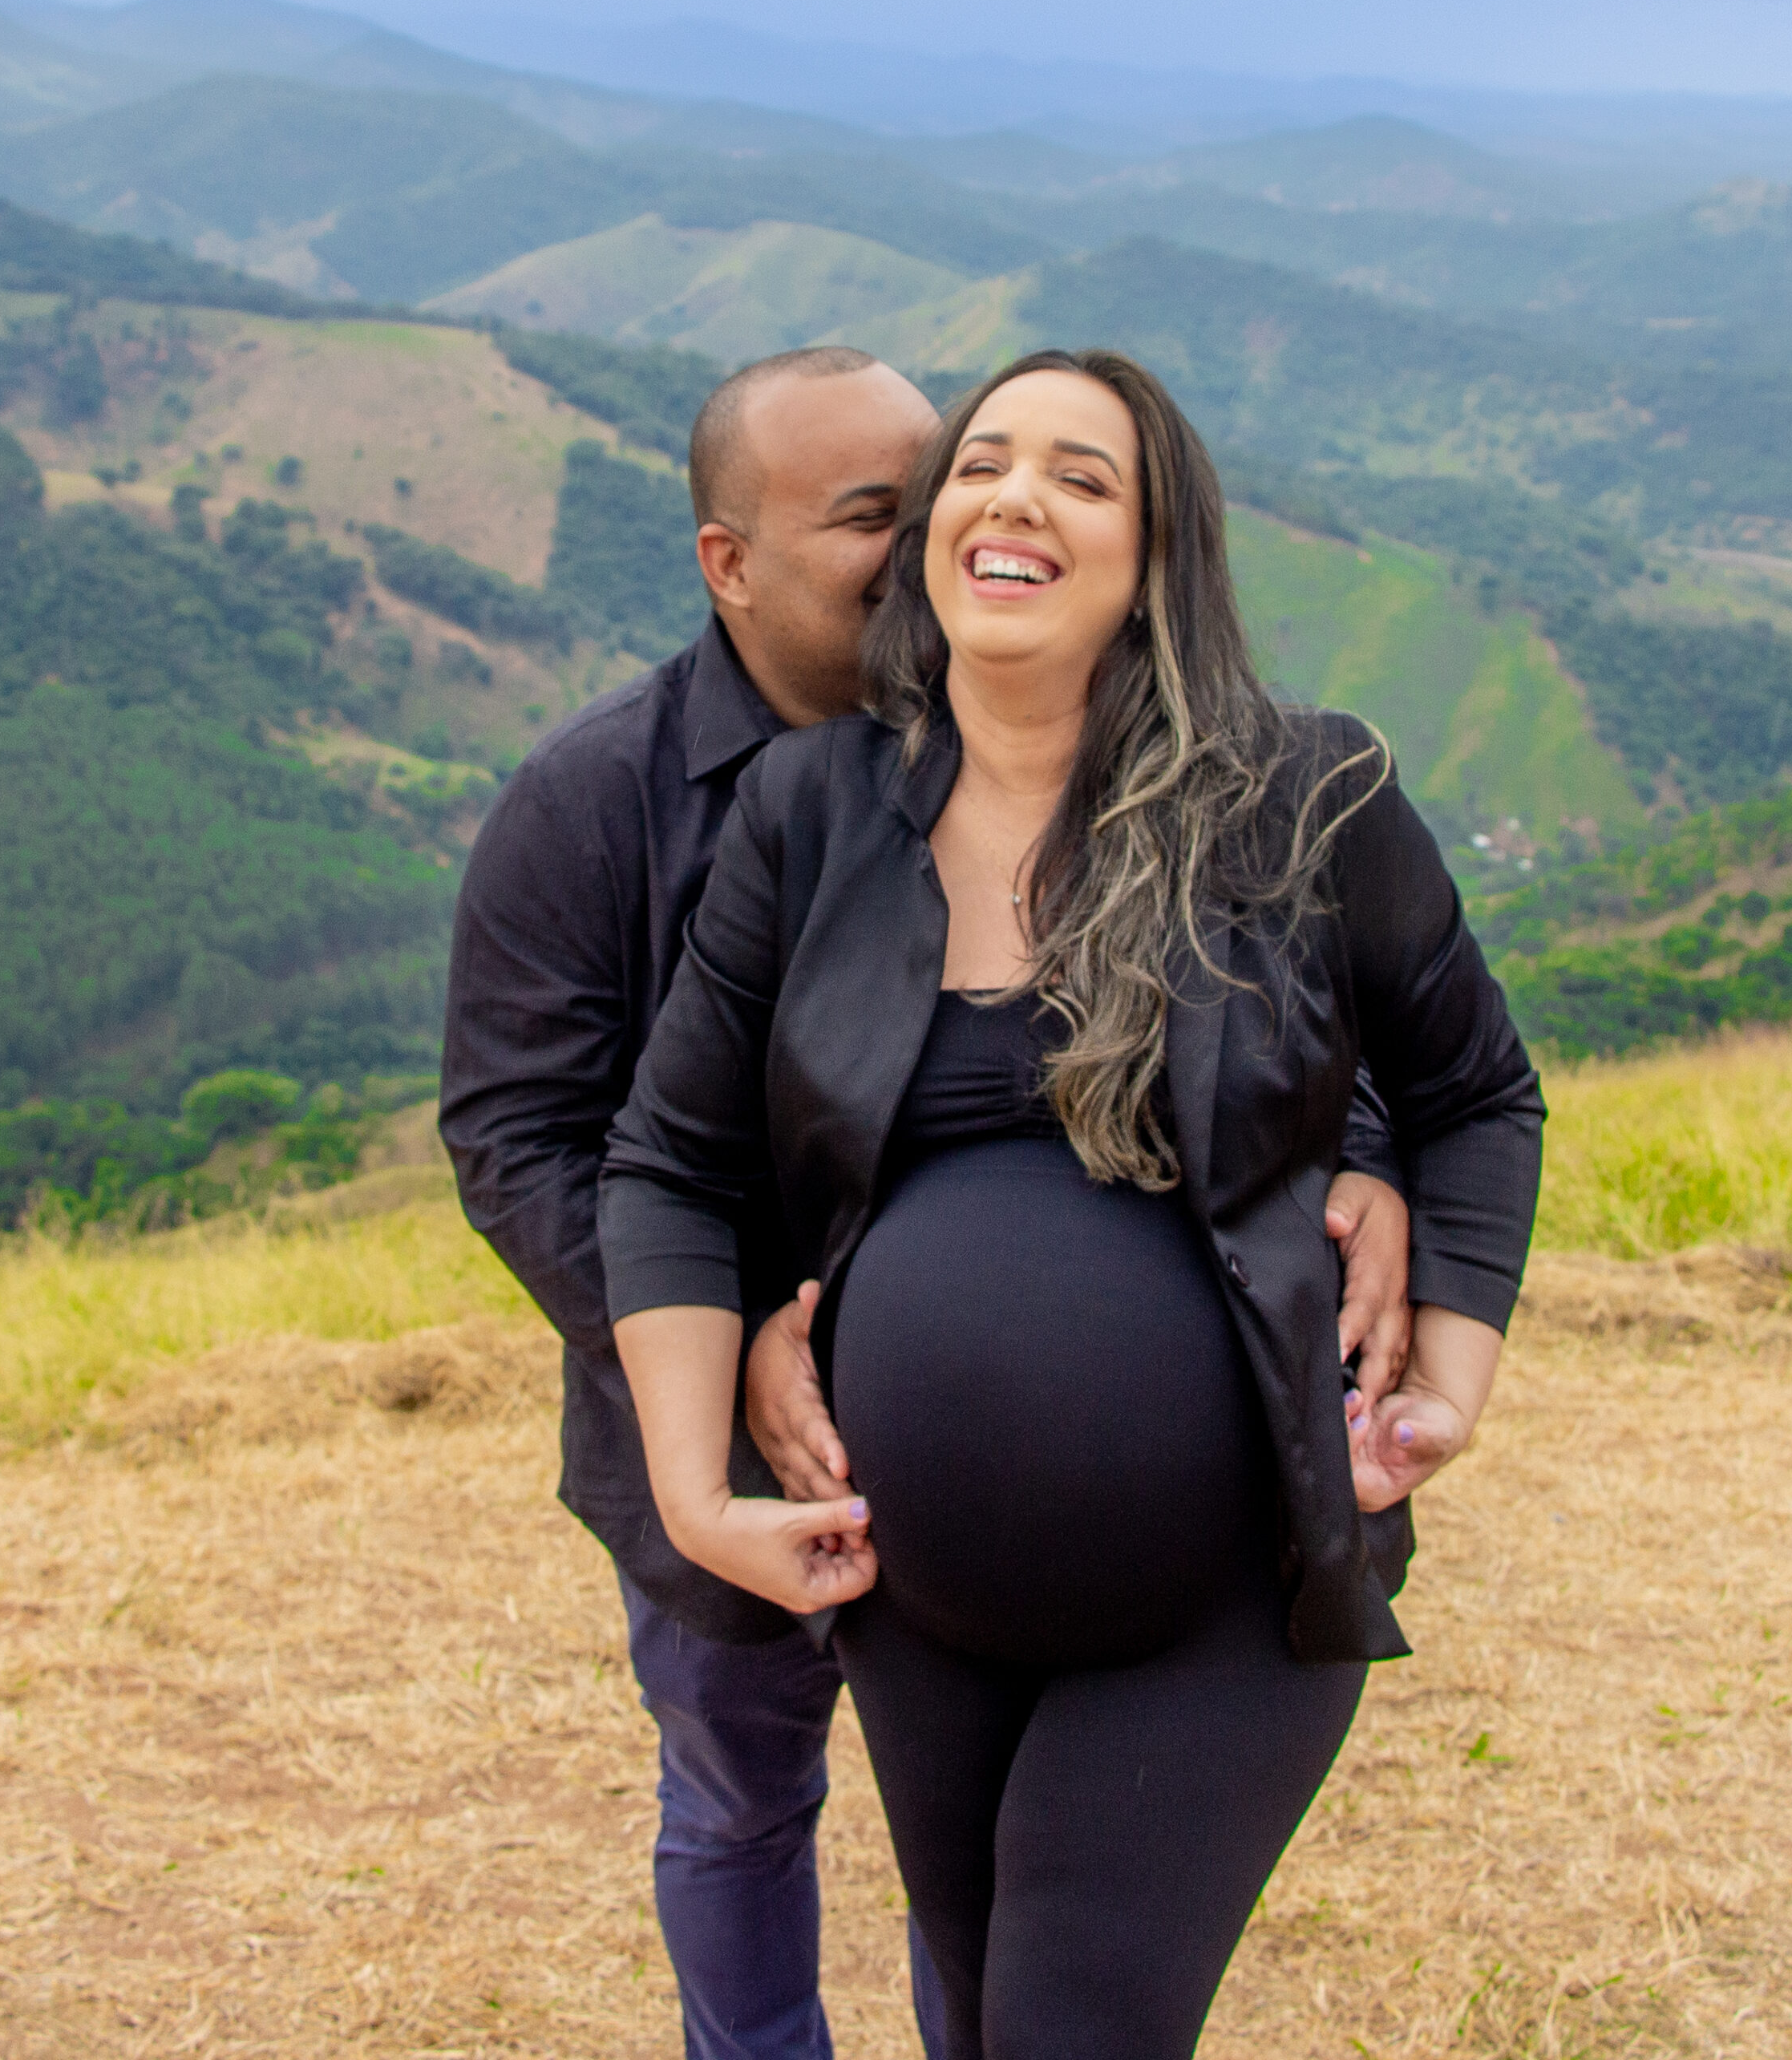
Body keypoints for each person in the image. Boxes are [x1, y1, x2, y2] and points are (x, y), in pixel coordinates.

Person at [439, 346, 1418, 2060]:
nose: (931, 546)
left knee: (975, 1880)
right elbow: (525, 1135)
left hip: (1011, 1514)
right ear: (727, 564)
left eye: (936, 487)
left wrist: (1377, 1160)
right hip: (727, 1443)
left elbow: (1292, 1001)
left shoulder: (1057, 750)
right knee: (742, 1794)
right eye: (870, 518)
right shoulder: (593, 802)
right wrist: (730, 1344)